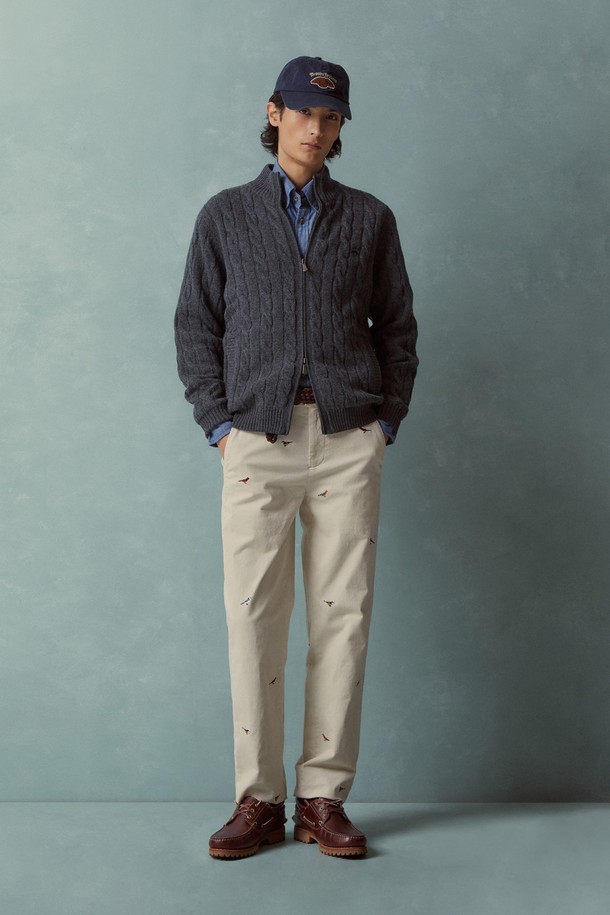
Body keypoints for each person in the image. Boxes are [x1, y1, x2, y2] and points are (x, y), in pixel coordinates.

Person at [174, 55, 418, 859]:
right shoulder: (225, 216)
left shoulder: (370, 218)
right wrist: (220, 424)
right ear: (274, 113)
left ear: (341, 125)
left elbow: (398, 327)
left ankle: (322, 798)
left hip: (348, 438)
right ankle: (258, 797)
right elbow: (195, 325)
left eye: (332, 116)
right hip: (256, 438)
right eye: (305, 112)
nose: (318, 128)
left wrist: (383, 423)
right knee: (253, 616)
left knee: (343, 617)